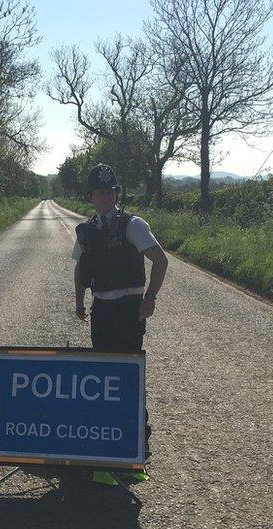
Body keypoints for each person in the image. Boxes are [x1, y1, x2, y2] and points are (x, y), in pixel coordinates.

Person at [72, 163, 168, 477]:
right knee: (103, 378)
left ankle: (138, 444)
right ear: (91, 196)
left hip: (128, 307)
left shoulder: (133, 224)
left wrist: (150, 297)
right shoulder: (86, 230)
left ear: (116, 194)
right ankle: (106, 443)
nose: (104, 197)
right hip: (101, 308)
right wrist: (78, 301)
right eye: (99, 192)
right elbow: (79, 269)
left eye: (109, 191)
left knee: (128, 377)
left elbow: (160, 259)